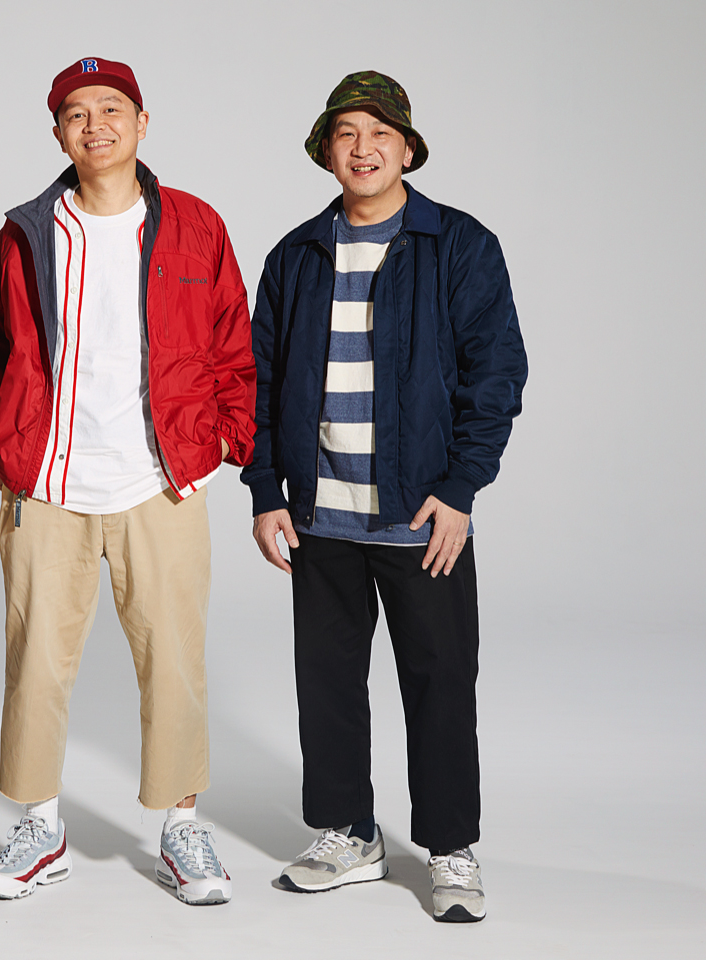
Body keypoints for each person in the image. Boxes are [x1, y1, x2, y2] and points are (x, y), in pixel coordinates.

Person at [0, 58, 255, 905]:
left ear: (141, 122)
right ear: (58, 133)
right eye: (76, 114)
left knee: (174, 662)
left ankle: (180, 828)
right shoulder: (24, 233)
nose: (95, 125)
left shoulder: (195, 225)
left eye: (111, 109)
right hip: (47, 484)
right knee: (36, 664)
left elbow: (232, 345)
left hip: (159, 482)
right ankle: (38, 828)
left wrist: (220, 442)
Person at [242, 72, 527, 922]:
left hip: (420, 515)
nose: (361, 149)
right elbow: (258, 383)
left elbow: (496, 373)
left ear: (406, 149)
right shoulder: (295, 254)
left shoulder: (458, 244)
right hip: (317, 514)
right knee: (327, 682)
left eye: (378, 134)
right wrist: (264, 489)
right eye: (345, 134)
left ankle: (449, 846)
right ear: (325, 151)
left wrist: (460, 488)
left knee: (439, 682)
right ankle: (348, 834)